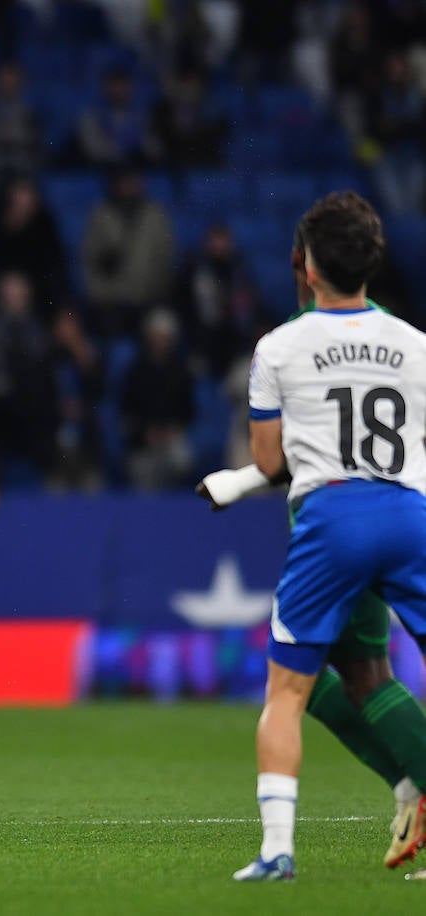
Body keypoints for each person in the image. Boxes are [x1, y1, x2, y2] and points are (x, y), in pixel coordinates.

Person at [199, 218, 426, 872]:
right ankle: (411, 782)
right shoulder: (412, 343)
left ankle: (277, 852)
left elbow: (270, 462)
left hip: (331, 523)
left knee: (288, 689)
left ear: (307, 267)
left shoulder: (279, 346)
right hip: (408, 513)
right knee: (360, 674)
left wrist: (239, 481)